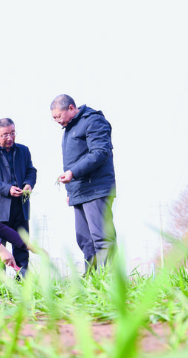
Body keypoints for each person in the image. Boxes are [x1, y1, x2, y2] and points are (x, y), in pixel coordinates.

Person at [50, 94, 117, 271]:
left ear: (71, 108)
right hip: (79, 190)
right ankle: (92, 279)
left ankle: (110, 278)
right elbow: (73, 160)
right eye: (54, 118)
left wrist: (73, 173)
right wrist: (70, 192)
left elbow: (100, 152)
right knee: (85, 240)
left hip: (96, 189)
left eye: (58, 116)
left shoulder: (93, 121)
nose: (57, 121)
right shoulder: (70, 127)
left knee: (101, 237)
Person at [0, 118, 37, 275]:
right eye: (5, 135)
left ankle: (23, 282)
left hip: (21, 207)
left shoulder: (23, 150)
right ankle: (0, 283)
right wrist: (7, 189)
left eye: (12, 133)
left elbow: (31, 170)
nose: (10, 138)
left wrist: (29, 183)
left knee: (22, 247)